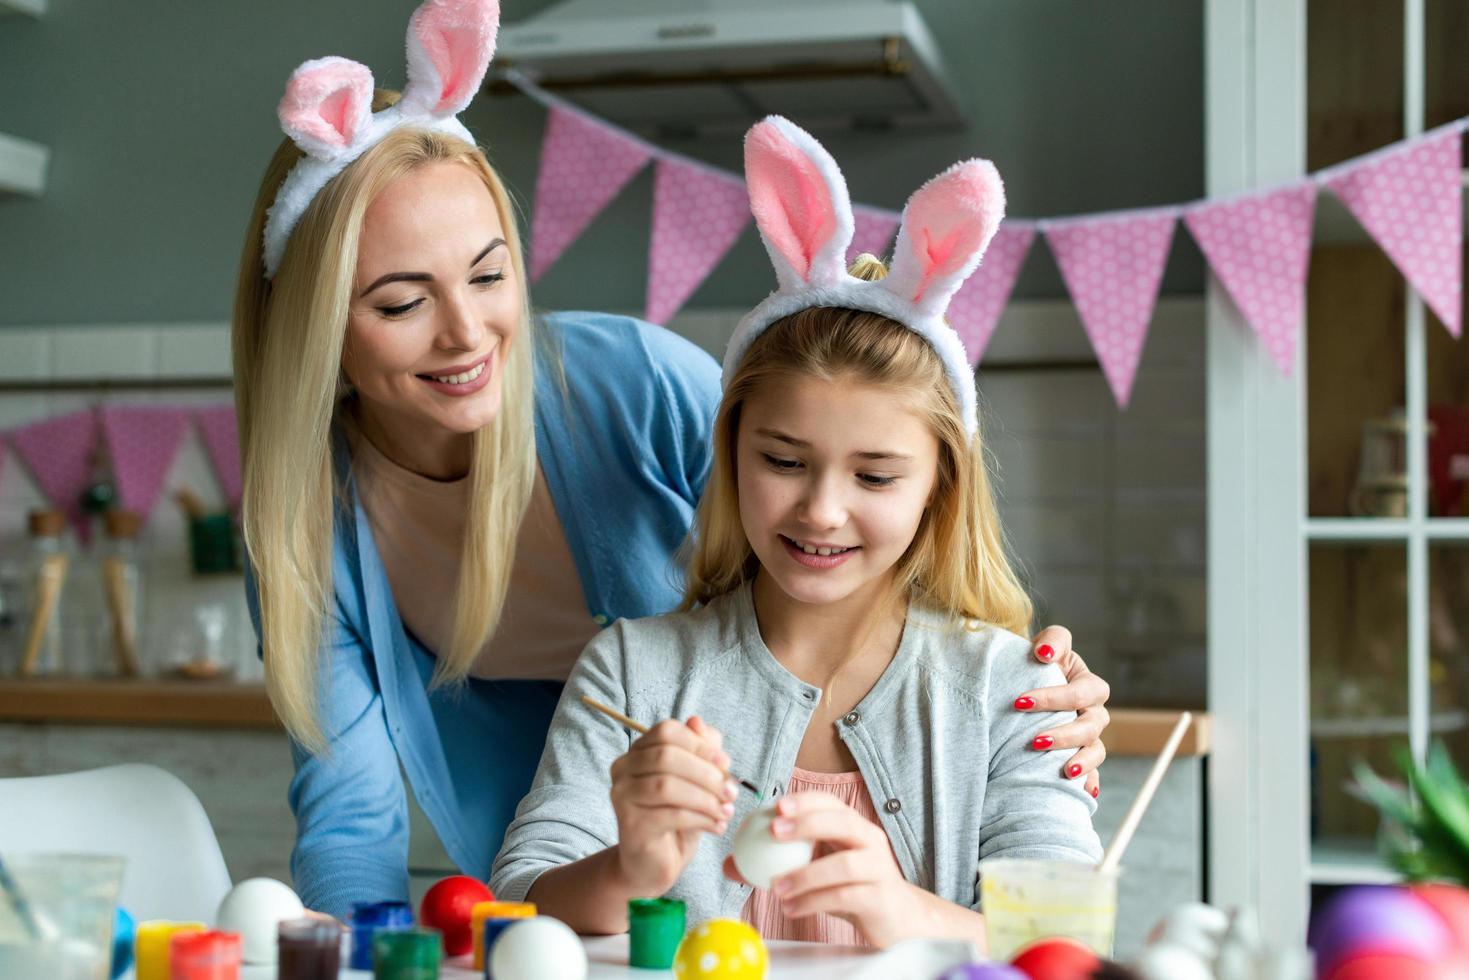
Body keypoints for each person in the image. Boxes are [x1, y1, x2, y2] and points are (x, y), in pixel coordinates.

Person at [235, 0, 1112, 919]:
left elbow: (841, 525)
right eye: (402, 302)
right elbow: (359, 821)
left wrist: (1024, 683)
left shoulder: (634, 385)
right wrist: (362, 953)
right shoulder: (307, 523)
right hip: (583, 833)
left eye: (489, 275)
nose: (467, 333)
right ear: (318, 328)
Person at [490, 118, 1101, 950]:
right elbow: (519, 899)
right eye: (783, 461)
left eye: (876, 477)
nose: (821, 510)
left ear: (938, 490)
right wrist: (626, 870)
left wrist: (903, 912)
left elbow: (1066, 945)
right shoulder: (635, 670)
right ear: (732, 454)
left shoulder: (1013, 692)